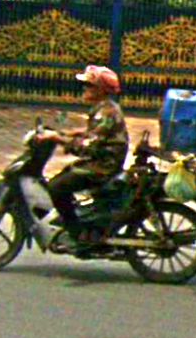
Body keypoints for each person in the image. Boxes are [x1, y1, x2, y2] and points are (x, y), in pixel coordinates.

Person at [37, 65, 129, 251]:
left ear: (101, 90)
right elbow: (92, 134)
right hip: (101, 161)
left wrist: (57, 139)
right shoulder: (103, 108)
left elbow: (89, 145)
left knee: (56, 187)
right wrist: (66, 134)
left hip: (103, 166)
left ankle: (76, 233)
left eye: (89, 85)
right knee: (65, 175)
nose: (84, 89)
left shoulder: (105, 112)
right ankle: (82, 219)